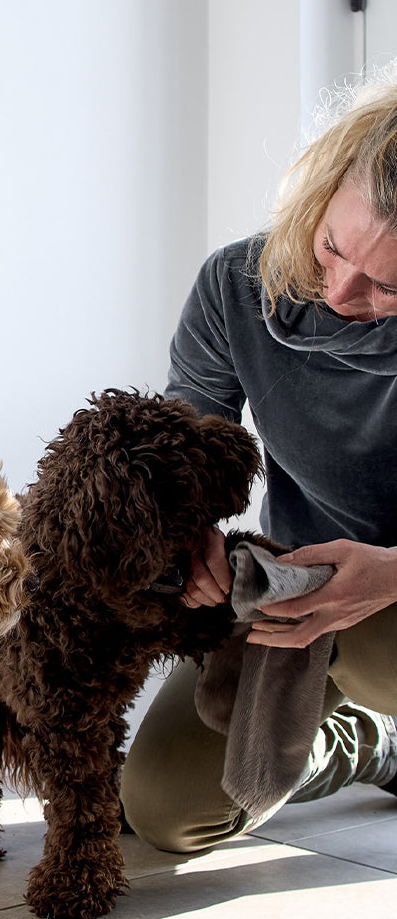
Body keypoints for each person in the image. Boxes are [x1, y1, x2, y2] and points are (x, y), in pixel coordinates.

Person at [120, 69, 397, 851]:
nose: (342, 290)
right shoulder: (233, 285)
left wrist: (389, 575)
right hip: (286, 585)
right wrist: (192, 536)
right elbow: (184, 453)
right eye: (332, 247)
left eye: (385, 285)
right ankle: (367, 745)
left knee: (385, 655)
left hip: (393, 596)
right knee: (166, 810)